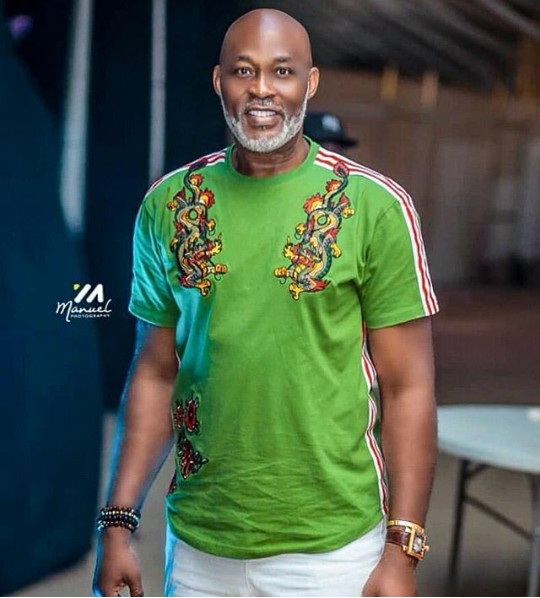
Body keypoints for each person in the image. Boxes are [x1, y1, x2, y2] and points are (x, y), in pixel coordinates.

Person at [93, 8, 439, 598]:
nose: (261, 89)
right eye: (243, 70)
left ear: (310, 82)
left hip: (332, 551)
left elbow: (409, 388)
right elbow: (155, 371)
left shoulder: (376, 206)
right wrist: (118, 523)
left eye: (282, 71)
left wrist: (402, 550)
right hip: (200, 544)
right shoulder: (169, 205)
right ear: (218, 81)